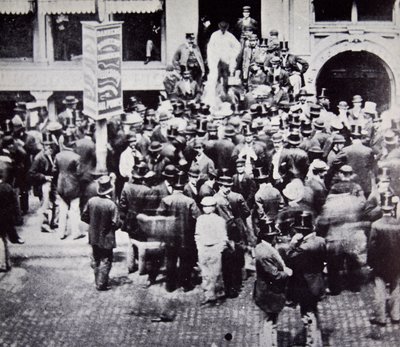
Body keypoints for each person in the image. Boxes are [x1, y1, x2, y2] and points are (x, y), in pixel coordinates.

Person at [286, 211, 326, 347]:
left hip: (305, 285)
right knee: (313, 312)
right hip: (318, 282)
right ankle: (317, 340)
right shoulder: (320, 241)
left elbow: (289, 258)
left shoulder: (303, 247)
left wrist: (292, 243)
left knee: (307, 314)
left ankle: (311, 342)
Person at [157, 171, 201, 292]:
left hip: (170, 236)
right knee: (185, 261)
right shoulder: (190, 201)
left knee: (170, 260)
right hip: (186, 236)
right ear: (183, 187)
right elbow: (198, 217)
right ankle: (185, 285)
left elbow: (159, 218)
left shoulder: (166, 200)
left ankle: (170, 286)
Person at [254, 218, 292, 347]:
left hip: (266, 291)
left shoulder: (263, 247)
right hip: (269, 293)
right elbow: (275, 275)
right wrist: (287, 273)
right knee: (269, 322)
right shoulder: (265, 253)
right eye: (274, 235)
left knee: (269, 320)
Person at [81, 175, 120, 291]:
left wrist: (93, 224)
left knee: (96, 257)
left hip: (93, 235)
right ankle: (101, 284)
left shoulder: (91, 201)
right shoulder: (111, 205)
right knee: (106, 259)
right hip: (107, 237)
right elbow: (116, 223)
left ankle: (97, 279)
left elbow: (84, 217)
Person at [368, 192, 400, 326]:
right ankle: (396, 315)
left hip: (380, 264)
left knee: (379, 291)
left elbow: (372, 246)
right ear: (393, 208)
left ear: (381, 208)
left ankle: (380, 318)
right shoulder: (398, 225)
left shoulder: (376, 225)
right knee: (396, 288)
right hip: (396, 262)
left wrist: (370, 262)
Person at [195, 196, 228, 305]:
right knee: (205, 274)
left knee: (217, 273)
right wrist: (199, 247)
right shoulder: (200, 220)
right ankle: (209, 295)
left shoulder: (220, 220)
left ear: (214, 207)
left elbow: (224, 237)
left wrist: (220, 249)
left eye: (209, 206)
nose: (206, 208)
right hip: (203, 249)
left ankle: (219, 294)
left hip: (215, 248)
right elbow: (197, 235)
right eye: (204, 206)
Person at [54, 134, 82, 240]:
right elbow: (79, 173)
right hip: (73, 185)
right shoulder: (76, 157)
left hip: (61, 185)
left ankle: (61, 233)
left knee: (62, 209)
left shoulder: (58, 156)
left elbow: (54, 170)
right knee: (74, 209)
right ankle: (75, 232)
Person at [0, 161, 22, 272]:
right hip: (6, 218)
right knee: (4, 239)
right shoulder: (7, 187)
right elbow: (15, 204)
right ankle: (6, 262)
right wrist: (17, 218)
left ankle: (2, 263)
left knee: (1, 240)